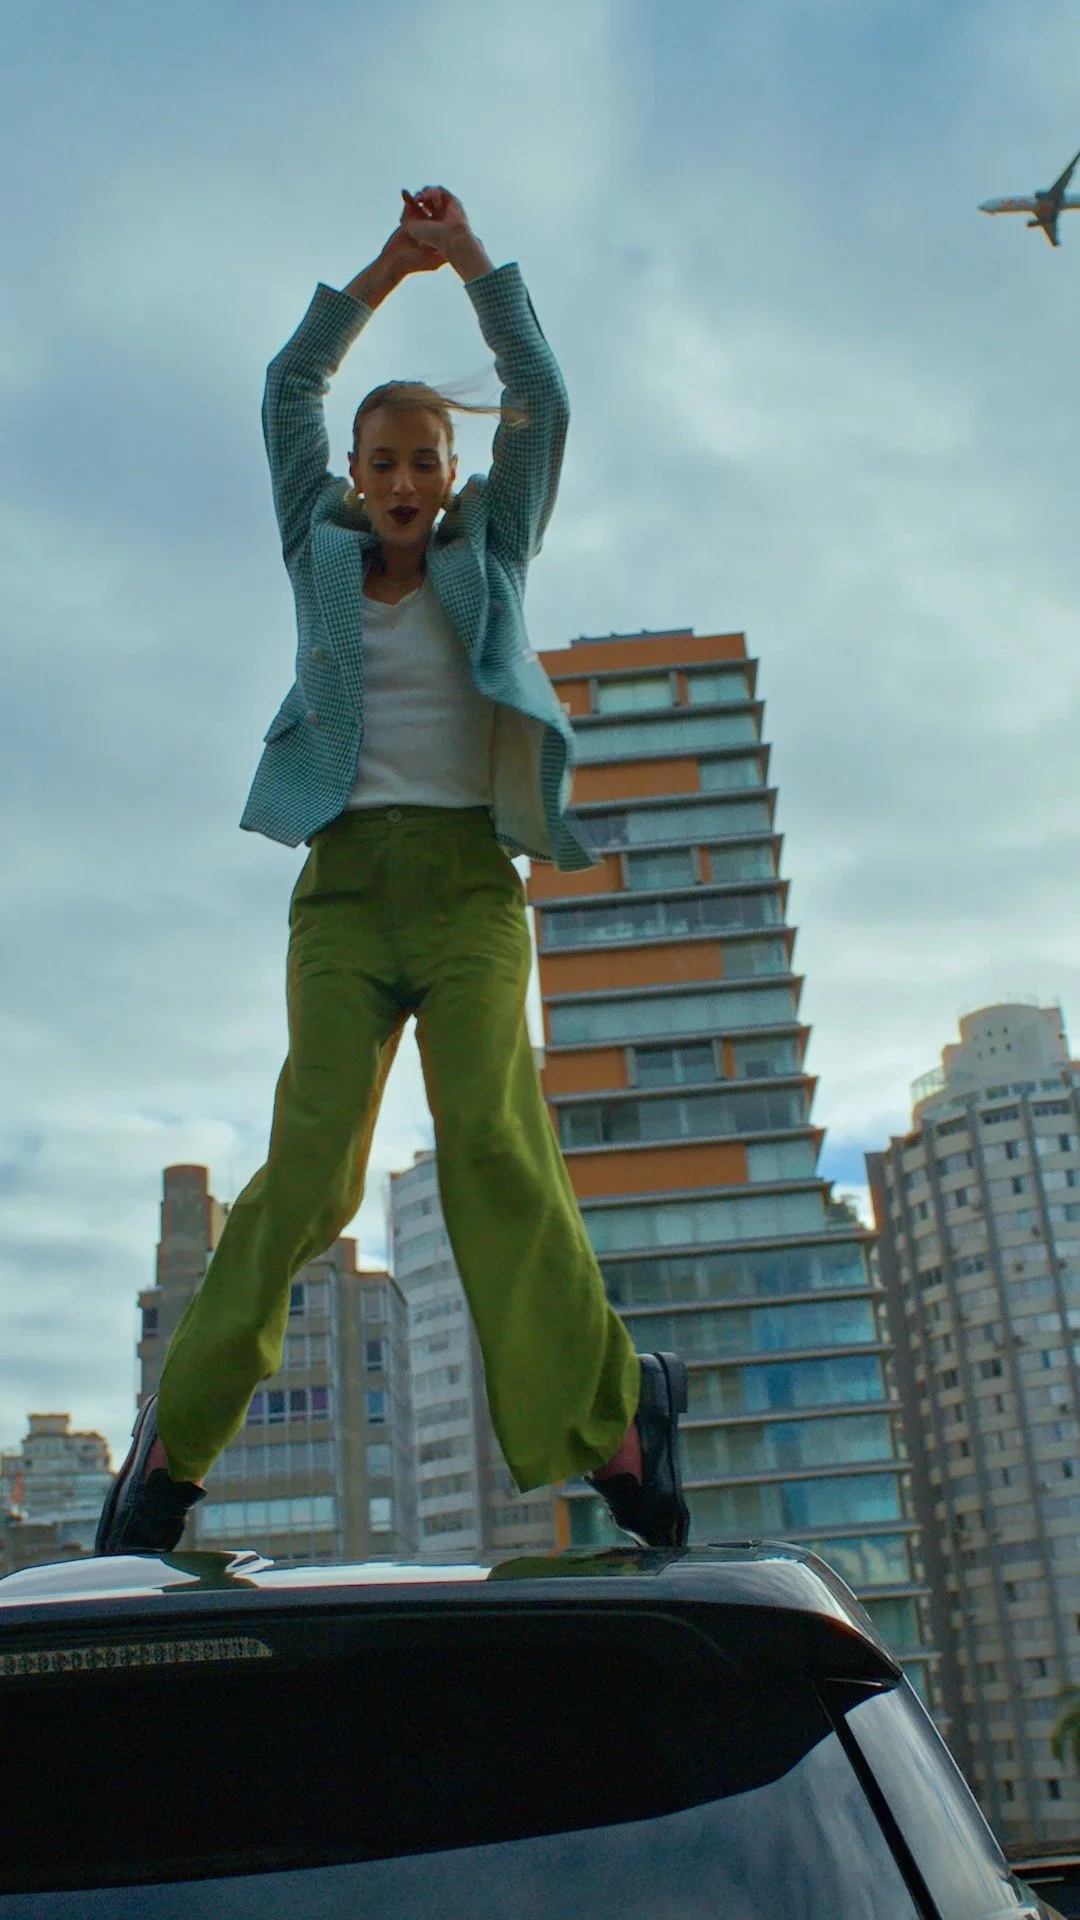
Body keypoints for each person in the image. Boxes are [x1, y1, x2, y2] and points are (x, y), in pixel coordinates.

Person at [96, 187, 689, 1559]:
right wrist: (384, 267)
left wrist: (468, 259)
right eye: (385, 461)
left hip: (472, 889)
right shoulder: (314, 547)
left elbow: (542, 390)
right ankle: (173, 1454)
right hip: (347, 896)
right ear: (357, 477)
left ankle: (614, 1421)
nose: (407, 480)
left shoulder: (494, 546)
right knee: (310, 1169)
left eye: (426, 458)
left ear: (451, 470)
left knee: (491, 1147)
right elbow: (286, 384)